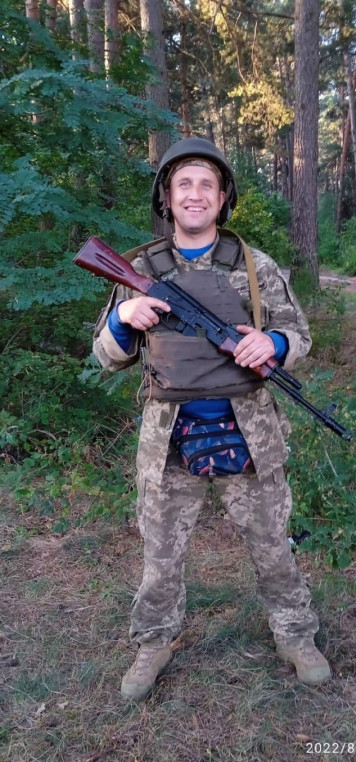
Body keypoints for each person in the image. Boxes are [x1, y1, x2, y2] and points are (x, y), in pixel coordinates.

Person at [92, 137, 331, 702]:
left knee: (272, 546)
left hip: (248, 433)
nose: (195, 194)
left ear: (223, 198)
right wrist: (125, 316)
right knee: (160, 556)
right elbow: (106, 355)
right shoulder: (139, 268)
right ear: (167, 197)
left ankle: (295, 634)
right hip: (170, 439)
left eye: (207, 185)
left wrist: (272, 343)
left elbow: (298, 335)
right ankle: (154, 641)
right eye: (184, 184)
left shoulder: (254, 266)